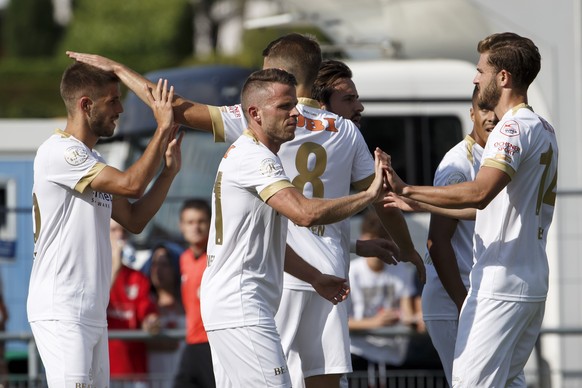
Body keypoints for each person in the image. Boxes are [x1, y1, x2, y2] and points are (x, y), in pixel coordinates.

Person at [67, 34, 422, 388]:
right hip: (311, 273)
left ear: (280, 76)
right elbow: (378, 201)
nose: (261, 81)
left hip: (287, 279)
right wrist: (405, 247)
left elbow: (172, 106)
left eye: (265, 73)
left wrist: (119, 69)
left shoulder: (253, 122)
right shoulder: (341, 130)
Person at [384, 32, 558, 387]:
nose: (476, 78)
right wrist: (418, 201)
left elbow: (480, 194)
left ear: (504, 77)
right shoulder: (543, 126)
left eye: (481, 71)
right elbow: (493, 211)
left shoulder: (510, 127)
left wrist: (407, 188)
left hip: (500, 280)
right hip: (531, 280)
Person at [201, 68, 390, 387]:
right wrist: (370, 195)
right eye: (284, 107)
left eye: (294, 105)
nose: (295, 115)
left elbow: (272, 243)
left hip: (242, 303)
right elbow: (303, 213)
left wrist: (315, 277)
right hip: (241, 304)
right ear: (254, 113)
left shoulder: (259, 156)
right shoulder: (255, 158)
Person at [27, 61, 182, 387]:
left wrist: (168, 173)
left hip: (90, 310)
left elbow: (134, 220)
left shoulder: (92, 161)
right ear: (86, 105)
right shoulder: (60, 152)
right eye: (113, 100)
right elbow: (131, 185)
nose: (121, 108)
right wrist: (161, 129)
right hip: (63, 307)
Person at [348, 209, 413, 388]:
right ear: (363, 237)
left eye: (384, 242)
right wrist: (375, 322)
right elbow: (341, 321)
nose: (378, 249)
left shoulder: (401, 270)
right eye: (374, 241)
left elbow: (408, 311)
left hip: (393, 356)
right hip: (359, 355)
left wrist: (415, 319)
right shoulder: (351, 271)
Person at [108, 219, 160, 386]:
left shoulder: (138, 278)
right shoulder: (91, 273)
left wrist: (151, 321)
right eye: (114, 230)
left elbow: (146, 312)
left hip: (134, 372)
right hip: (103, 370)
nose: (119, 235)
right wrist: (114, 268)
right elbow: (93, 306)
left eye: (123, 230)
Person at [173, 198, 215, 388]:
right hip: (191, 342)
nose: (195, 227)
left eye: (201, 221)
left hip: (214, 343)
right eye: (190, 222)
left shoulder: (218, 259)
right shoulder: (183, 259)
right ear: (181, 226)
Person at [144, 241, 186, 387]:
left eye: (165, 264)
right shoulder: (144, 304)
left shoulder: (189, 303)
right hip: (153, 381)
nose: (158, 270)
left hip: (181, 379)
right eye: (154, 263)